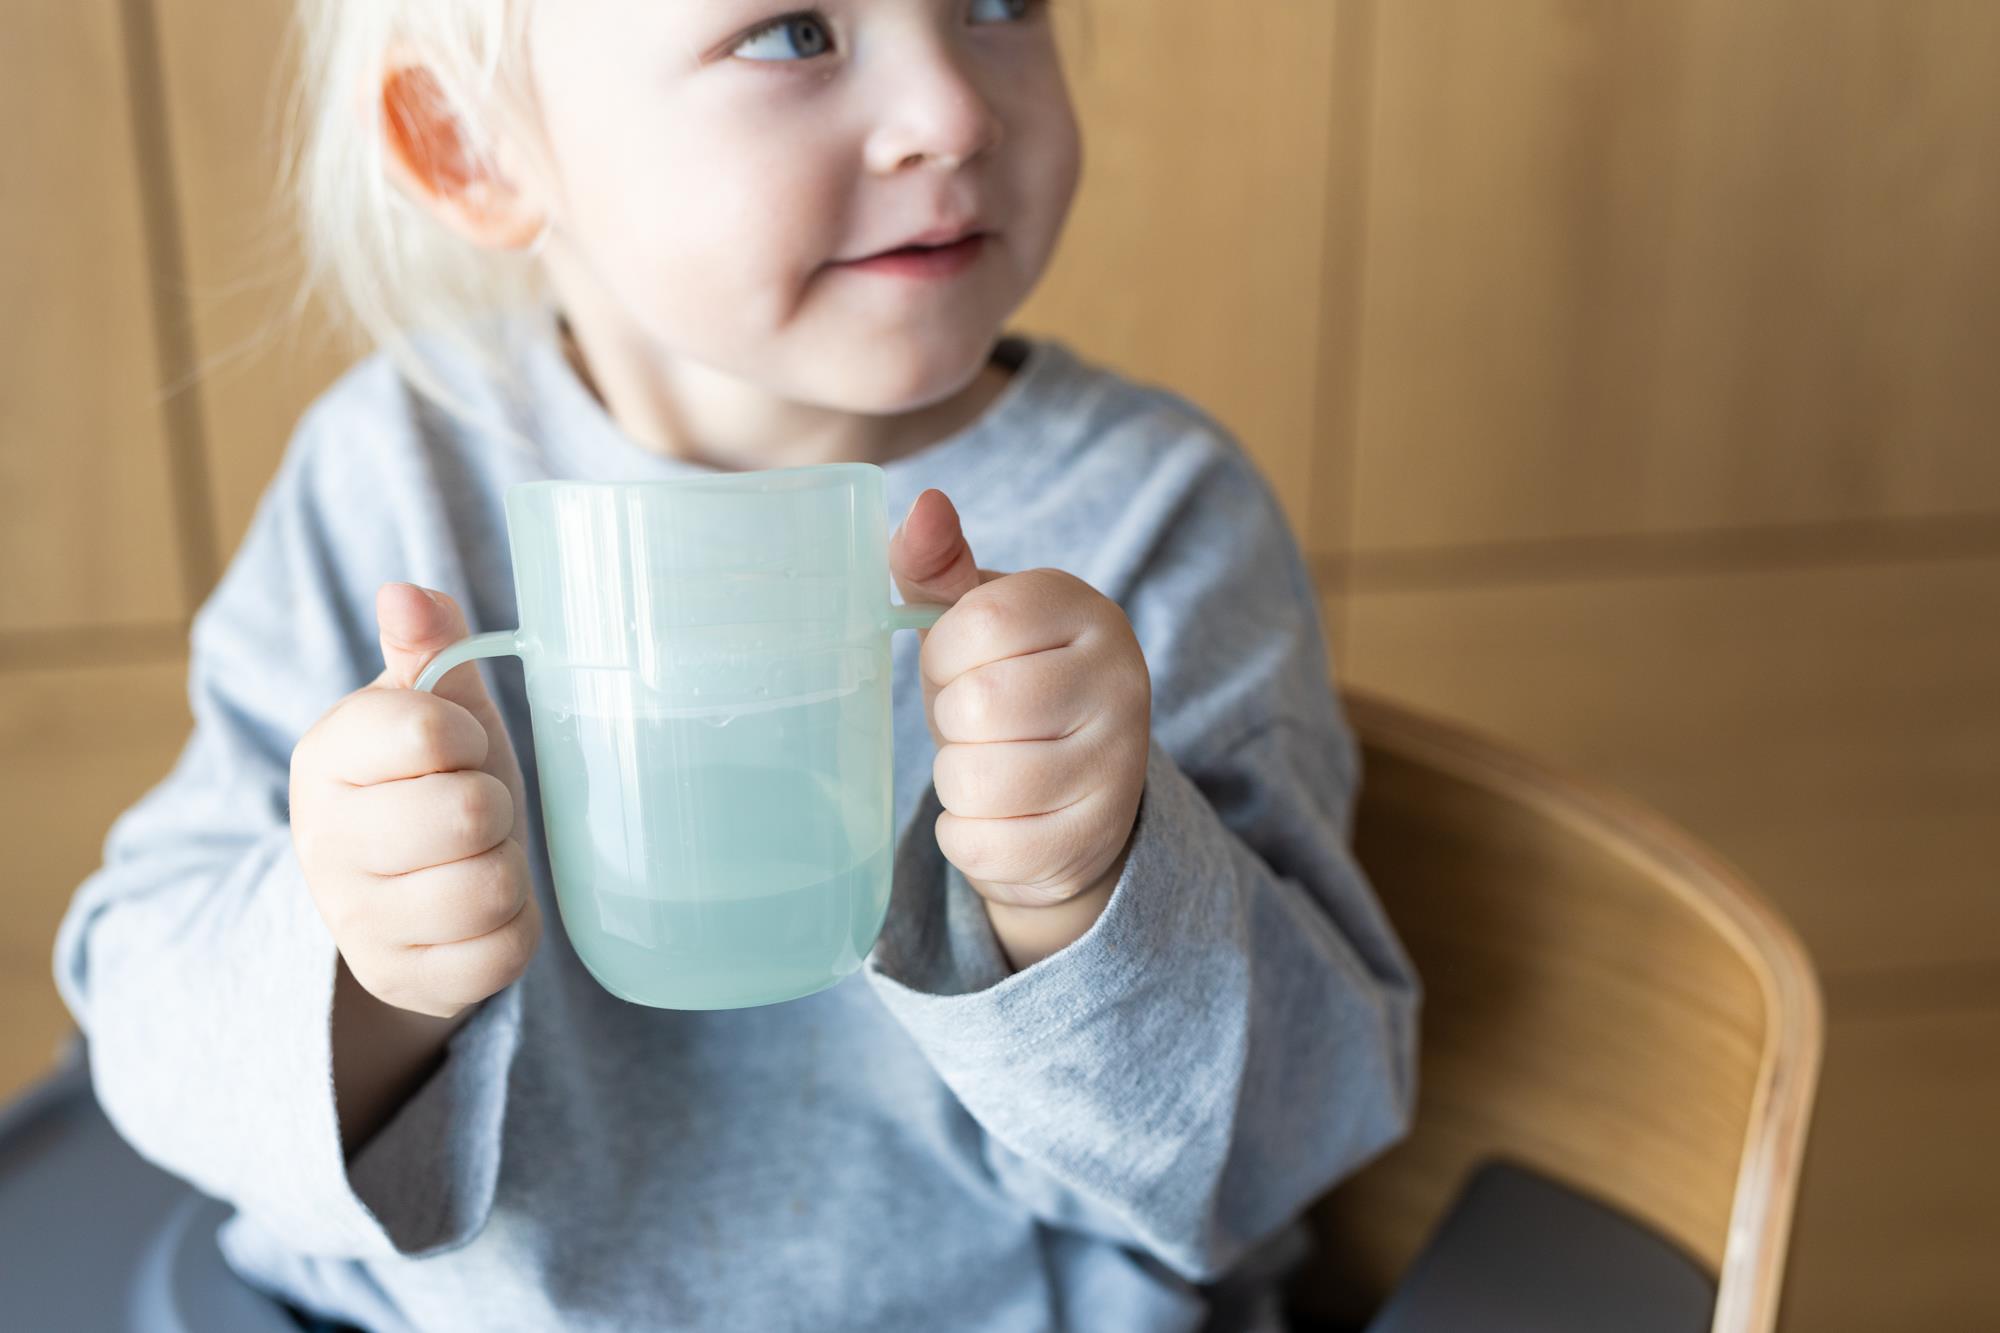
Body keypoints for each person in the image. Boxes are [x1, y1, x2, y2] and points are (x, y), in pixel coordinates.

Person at [53, 2, 1419, 1329]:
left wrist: (1088, 893)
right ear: (471, 140)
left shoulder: (1156, 515)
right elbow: (153, 1017)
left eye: (999, 2)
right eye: (792, 33)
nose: (952, 110)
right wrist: (368, 968)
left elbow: (1298, 1135)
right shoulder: (392, 476)